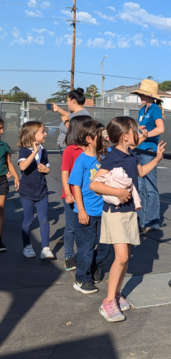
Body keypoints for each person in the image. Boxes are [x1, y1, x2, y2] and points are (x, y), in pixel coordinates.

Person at [90, 117, 165, 322]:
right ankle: (108, 303)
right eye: (135, 131)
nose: (139, 133)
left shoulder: (131, 154)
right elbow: (94, 185)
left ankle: (116, 294)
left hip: (130, 212)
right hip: (115, 213)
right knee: (122, 257)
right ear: (125, 136)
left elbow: (139, 173)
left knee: (125, 258)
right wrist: (117, 192)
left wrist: (156, 159)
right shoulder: (113, 157)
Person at [69, 120, 109, 294]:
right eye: (102, 135)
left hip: (105, 211)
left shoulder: (106, 155)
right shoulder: (82, 161)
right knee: (86, 247)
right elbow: (75, 186)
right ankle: (81, 278)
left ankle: (93, 265)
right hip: (87, 212)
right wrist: (81, 210)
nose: (106, 138)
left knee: (105, 245)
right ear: (89, 139)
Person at [130, 79, 165, 233]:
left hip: (149, 150)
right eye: (139, 94)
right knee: (140, 187)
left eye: (142, 94)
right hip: (139, 150)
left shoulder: (155, 108)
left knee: (150, 187)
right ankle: (141, 221)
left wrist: (145, 135)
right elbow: (140, 129)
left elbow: (161, 128)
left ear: (150, 96)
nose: (140, 96)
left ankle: (151, 222)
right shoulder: (141, 110)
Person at [60, 115, 92, 270]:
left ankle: (84, 255)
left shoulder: (91, 150)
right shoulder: (70, 150)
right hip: (71, 196)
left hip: (87, 196)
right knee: (71, 227)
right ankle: (68, 256)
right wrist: (67, 193)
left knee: (85, 227)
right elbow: (65, 173)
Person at [17, 121, 53, 259]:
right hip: (27, 192)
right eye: (42, 132)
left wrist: (46, 170)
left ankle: (45, 248)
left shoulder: (44, 150)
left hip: (42, 190)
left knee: (44, 219)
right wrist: (34, 152)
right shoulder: (24, 150)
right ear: (32, 134)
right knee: (28, 220)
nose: (45, 134)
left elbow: (47, 169)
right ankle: (27, 246)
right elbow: (23, 167)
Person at [0, 117, 20, 252]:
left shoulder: (4, 146)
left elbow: (8, 163)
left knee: (1, 210)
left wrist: (16, 176)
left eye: (2, 128)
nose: (1, 131)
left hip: (1, 180)